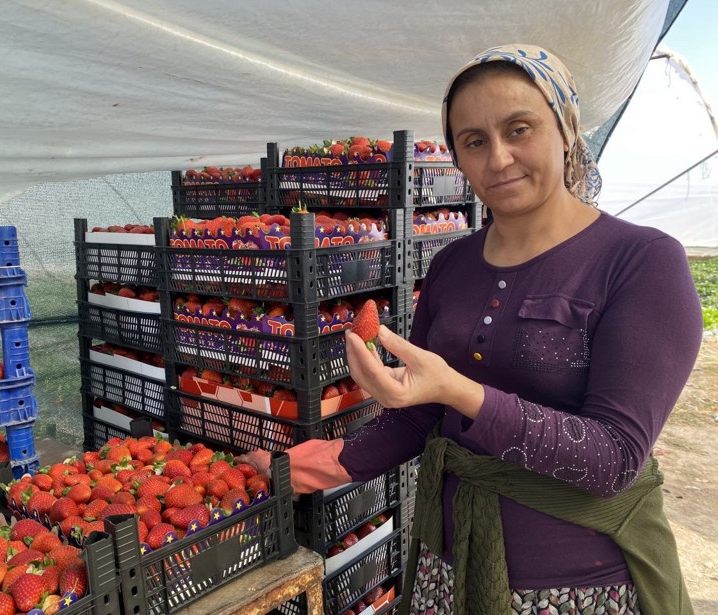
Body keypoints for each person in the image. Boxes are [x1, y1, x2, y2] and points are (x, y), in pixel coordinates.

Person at [242, 44, 703, 615]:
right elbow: (420, 416)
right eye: (475, 141)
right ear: (457, 157)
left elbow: (614, 458)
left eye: (519, 129)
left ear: (565, 131)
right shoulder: (451, 265)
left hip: (579, 587)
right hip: (450, 566)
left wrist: (459, 391)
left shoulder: (641, 261)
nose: (499, 158)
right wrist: (303, 468)